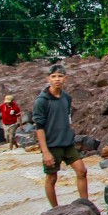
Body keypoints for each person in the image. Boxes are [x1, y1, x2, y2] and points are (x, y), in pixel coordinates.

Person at [33, 64, 89, 207]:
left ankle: (86, 205)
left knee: (82, 171)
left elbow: (67, 118)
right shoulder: (42, 101)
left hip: (67, 143)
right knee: (51, 179)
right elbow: (39, 128)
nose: (57, 79)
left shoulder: (66, 98)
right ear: (48, 79)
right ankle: (56, 210)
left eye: (60, 76)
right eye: (53, 77)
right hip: (52, 145)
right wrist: (45, 152)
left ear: (65, 78)